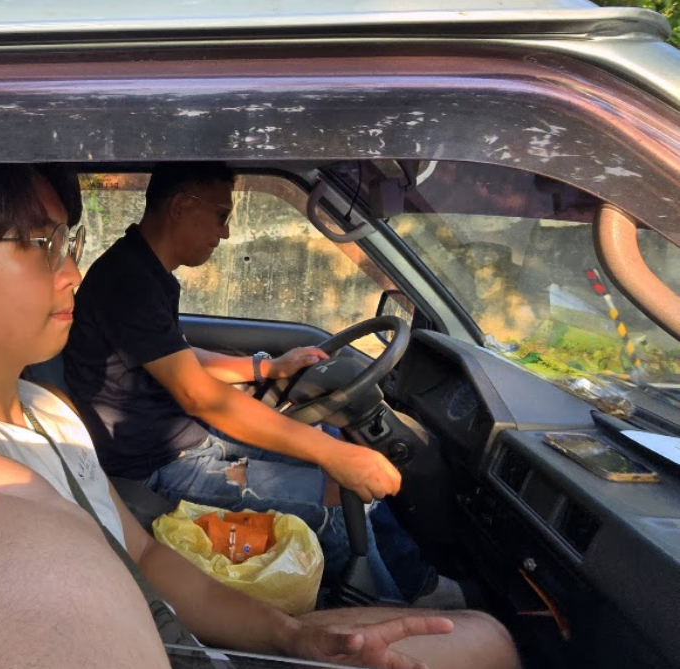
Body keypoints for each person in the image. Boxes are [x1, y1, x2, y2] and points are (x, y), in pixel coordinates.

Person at [0, 163, 519, 669]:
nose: (72, 273)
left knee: (482, 633)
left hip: (177, 641)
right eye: (41, 245)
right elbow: (11, 546)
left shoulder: (43, 408)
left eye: (68, 243)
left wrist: (291, 635)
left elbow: (146, 557)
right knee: (485, 644)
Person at [63, 162, 455, 606]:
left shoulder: (144, 271)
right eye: (220, 216)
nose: (226, 232)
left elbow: (178, 357)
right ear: (180, 206)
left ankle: (418, 581)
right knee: (335, 500)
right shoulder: (129, 282)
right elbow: (199, 396)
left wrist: (266, 368)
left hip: (187, 438)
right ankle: (402, 612)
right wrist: (334, 455)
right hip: (156, 467)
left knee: (333, 444)